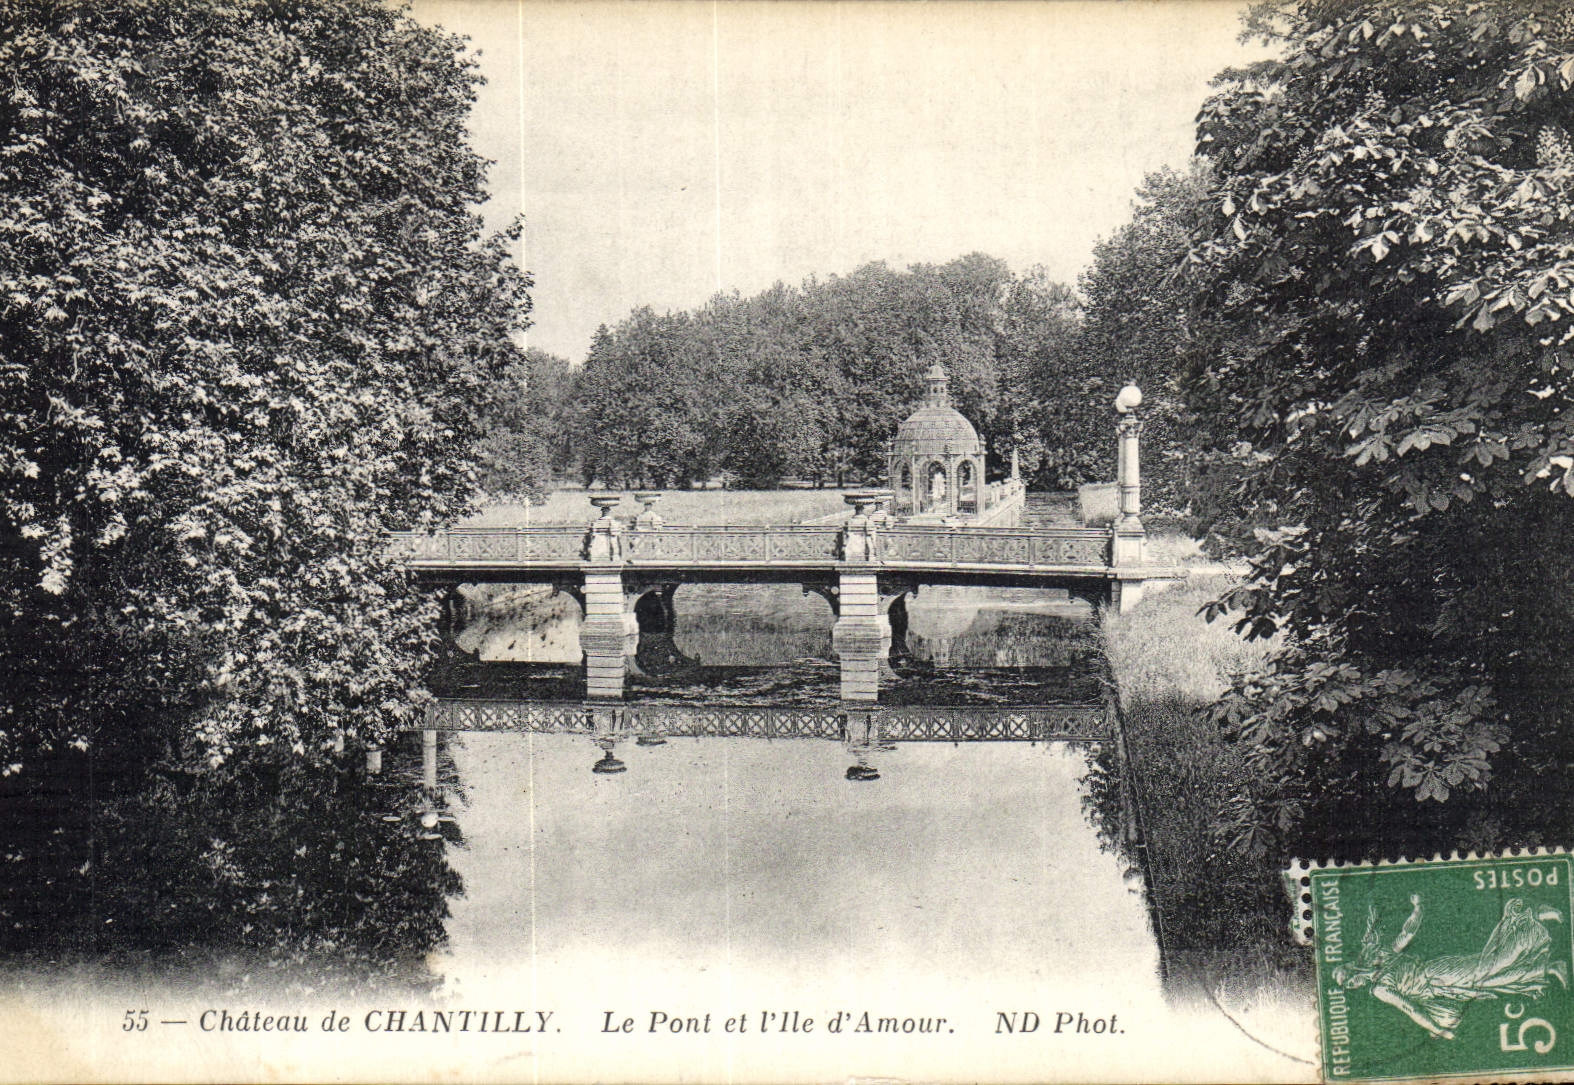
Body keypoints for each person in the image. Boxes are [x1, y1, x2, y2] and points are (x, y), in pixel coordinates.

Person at [1333, 894, 1568, 1040]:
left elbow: (1409, 1007)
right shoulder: (1377, 983)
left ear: (1353, 969)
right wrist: (1437, 1028)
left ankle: (1526, 913)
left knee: (1489, 967)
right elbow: (1412, 1007)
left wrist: (1418, 909)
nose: (1353, 985)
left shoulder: (1380, 972)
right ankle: (1552, 968)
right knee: (1493, 981)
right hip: (1440, 991)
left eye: (1349, 979)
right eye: (1349, 986)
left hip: (1436, 974)